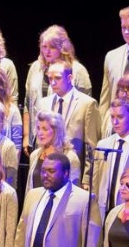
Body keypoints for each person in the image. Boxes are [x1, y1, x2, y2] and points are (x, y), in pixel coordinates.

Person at [22, 25, 92, 155]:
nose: (47, 51)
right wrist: (26, 135)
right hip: (40, 139)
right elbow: (27, 102)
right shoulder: (35, 68)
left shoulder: (77, 71)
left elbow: (85, 111)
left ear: (62, 48)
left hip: (68, 142)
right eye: (44, 47)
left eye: (52, 47)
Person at [35, 60, 101, 189]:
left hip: (72, 168)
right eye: (50, 78)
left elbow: (91, 145)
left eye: (57, 78)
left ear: (70, 78)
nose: (53, 83)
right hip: (47, 170)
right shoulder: (44, 103)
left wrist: (87, 179)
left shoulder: (87, 104)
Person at [24, 110, 81, 195]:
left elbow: (74, 191)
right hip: (37, 206)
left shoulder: (70, 157)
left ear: (56, 131)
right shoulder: (35, 155)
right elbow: (30, 188)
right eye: (38, 128)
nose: (40, 133)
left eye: (45, 129)